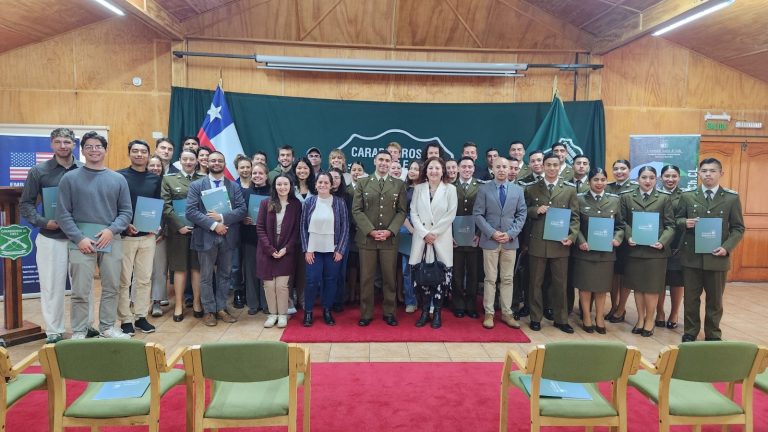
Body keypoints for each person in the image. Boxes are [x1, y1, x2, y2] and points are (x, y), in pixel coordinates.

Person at [56, 131, 133, 339]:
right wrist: (79, 238)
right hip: (80, 241)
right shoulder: (69, 179)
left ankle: (107, 327)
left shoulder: (118, 179)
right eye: (89, 146)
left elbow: (126, 212)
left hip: (111, 240)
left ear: (105, 150)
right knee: (80, 290)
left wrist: (111, 230)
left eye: (98, 146)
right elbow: (62, 213)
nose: (94, 150)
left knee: (112, 287)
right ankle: (80, 331)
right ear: (82, 151)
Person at [19, 128, 83, 343]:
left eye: (67, 142)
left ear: (74, 144)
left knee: (83, 287)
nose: (63, 146)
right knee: (51, 286)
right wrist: (45, 222)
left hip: (80, 238)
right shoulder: (39, 171)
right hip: (50, 238)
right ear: (51, 144)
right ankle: (54, 331)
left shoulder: (85, 169)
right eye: (58, 142)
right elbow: (26, 204)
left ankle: (82, 327)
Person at [677, 158, 744, 342]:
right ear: (698, 173)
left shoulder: (731, 198)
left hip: (717, 257)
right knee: (691, 298)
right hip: (692, 257)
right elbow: (676, 220)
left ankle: (713, 334)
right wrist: (685, 223)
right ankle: (690, 332)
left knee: (715, 301)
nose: (708, 174)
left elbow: (738, 228)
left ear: (721, 174)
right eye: (704, 170)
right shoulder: (688, 196)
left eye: (713, 171)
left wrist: (726, 247)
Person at [186, 151, 247, 326]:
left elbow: (242, 210)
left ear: (225, 163)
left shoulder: (233, 186)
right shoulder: (197, 186)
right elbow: (191, 211)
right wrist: (214, 225)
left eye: (220, 160)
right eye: (213, 160)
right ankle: (209, 311)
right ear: (206, 163)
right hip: (205, 237)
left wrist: (221, 218)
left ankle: (221, 308)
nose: (216, 163)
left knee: (225, 275)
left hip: (228, 236)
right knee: (206, 276)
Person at [524, 152, 579, 333]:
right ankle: (535, 317)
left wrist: (571, 237)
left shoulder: (570, 189)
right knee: (535, 283)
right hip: (538, 242)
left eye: (555, 165)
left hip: (560, 243)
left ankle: (561, 319)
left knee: (560, 284)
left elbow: (575, 218)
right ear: (542, 166)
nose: (552, 168)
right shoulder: (532, 188)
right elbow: (523, 212)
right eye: (548, 165)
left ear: (560, 166)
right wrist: (535, 210)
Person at [352, 150, 408, 327]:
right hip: (367, 239)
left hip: (389, 240)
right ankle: (366, 313)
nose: (384, 163)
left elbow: (401, 211)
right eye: (381, 160)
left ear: (392, 163)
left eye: (387, 160)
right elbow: (356, 210)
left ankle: (389, 312)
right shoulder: (363, 182)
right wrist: (370, 230)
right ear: (375, 161)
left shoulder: (399, 184)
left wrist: (390, 231)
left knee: (389, 277)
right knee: (367, 278)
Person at [620, 166, 675, 337]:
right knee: (638, 286)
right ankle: (640, 318)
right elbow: (622, 222)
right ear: (637, 179)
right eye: (644, 177)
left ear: (656, 179)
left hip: (655, 251)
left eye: (651, 177)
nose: (647, 181)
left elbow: (670, 225)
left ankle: (650, 320)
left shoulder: (664, 198)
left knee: (651, 287)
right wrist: (628, 236)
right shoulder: (627, 197)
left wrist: (662, 241)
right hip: (635, 249)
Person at [474, 157, 527, 329]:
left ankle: (507, 313)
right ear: (493, 169)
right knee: (490, 278)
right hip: (490, 240)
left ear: (511, 168)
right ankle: (489, 313)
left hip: (510, 242)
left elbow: (521, 215)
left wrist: (510, 234)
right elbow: (478, 214)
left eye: (505, 166)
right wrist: (492, 232)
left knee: (507, 278)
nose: (502, 170)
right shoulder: (483, 189)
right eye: (499, 167)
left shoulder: (518, 190)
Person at [116, 139, 162, 335]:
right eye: (135, 151)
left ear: (148, 155)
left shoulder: (155, 178)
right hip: (125, 236)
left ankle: (141, 317)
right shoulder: (118, 176)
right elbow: (113, 204)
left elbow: (158, 203)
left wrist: (157, 225)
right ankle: (125, 319)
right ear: (129, 154)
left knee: (144, 280)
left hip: (148, 237)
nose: (139, 154)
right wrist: (124, 225)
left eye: (143, 151)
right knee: (124, 280)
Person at [409, 157, 458, 329]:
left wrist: (433, 233)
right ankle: (424, 312)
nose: (434, 171)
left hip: (440, 239)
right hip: (422, 239)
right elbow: (413, 213)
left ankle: (437, 312)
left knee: (439, 278)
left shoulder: (450, 189)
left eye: (437, 168)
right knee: (421, 278)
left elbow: (450, 214)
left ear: (443, 170)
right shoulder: (419, 189)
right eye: (431, 168)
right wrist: (424, 234)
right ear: (426, 171)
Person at [572, 168, 623, 334]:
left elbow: (621, 225)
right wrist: (581, 241)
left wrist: (618, 238)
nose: (599, 183)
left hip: (606, 253)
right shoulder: (579, 199)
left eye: (602, 180)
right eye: (596, 180)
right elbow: (574, 223)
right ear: (589, 182)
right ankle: (586, 316)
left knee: (602, 287)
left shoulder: (615, 200)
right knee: (585, 287)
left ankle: (599, 317)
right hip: (585, 252)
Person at [300, 172, 350, 326]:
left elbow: (345, 227)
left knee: (330, 281)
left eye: (326, 182)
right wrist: (307, 250)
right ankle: (308, 312)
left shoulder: (339, 202)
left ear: (331, 185)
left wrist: (340, 250)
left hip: (332, 251)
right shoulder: (309, 202)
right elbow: (302, 227)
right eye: (320, 182)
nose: (322, 185)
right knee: (311, 281)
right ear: (315, 184)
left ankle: (327, 310)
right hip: (313, 251)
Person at [161, 147, 204, 321]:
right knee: (179, 269)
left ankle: (197, 302)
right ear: (180, 160)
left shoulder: (203, 179)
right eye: (185, 159)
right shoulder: (169, 180)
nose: (188, 162)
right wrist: (179, 226)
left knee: (197, 268)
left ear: (197, 161)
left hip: (199, 231)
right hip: (178, 233)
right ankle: (178, 304)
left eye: (191, 159)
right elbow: (166, 206)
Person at [256, 174, 302, 328]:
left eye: (286, 184)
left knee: (282, 286)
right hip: (266, 250)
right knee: (269, 285)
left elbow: (296, 231)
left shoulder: (296, 205)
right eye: (279, 184)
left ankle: (283, 314)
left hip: (286, 250)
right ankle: (272, 314)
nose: (282, 187)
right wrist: (269, 249)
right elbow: (260, 228)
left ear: (291, 186)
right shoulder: (265, 203)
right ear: (274, 186)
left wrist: (286, 249)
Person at [604, 159, 639, 323]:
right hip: (608, 236)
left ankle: (621, 307)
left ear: (629, 170)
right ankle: (613, 305)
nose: (619, 172)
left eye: (623, 168)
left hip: (628, 237)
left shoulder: (635, 189)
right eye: (616, 168)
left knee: (625, 275)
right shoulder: (608, 187)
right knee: (613, 275)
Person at [451, 156, 482, 319]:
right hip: (455, 238)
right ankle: (458, 304)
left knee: (473, 274)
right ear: (457, 168)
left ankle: (471, 305)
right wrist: (449, 235)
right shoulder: (450, 187)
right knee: (456, 273)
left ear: (474, 169)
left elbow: (485, 213)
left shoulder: (481, 187)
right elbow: (446, 214)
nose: (467, 169)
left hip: (474, 238)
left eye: (470, 167)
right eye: (463, 167)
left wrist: (479, 234)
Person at [655, 164, 684, 330]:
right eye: (667, 176)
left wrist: (679, 245)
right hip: (657, 242)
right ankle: (659, 312)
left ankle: (674, 313)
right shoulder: (656, 194)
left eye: (674, 176)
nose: (670, 179)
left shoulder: (686, 196)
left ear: (679, 178)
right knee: (658, 280)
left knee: (676, 281)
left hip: (677, 245)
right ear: (661, 177)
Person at [242, 162, 271, 315]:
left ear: (266, 175)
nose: (257, 176)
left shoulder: (273, 193)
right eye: (255, 173)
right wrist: (244, 219)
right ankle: (253, 303)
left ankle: (266, 303)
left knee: (266, 271)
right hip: (250, 236)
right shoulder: (246, 192)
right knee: (251, 270)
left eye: (261, 173)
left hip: (268, 239)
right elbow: (240, 212)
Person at [230, 154, 254, 309]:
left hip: (254, 231)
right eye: (242, 167)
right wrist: (240, 219)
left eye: (247, 167)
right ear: (237, 170)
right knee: (236, 264)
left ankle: (252, 291)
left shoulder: (258, 185)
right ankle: (238, 291)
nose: (245, 170)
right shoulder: (231, 186)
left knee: (251, 264)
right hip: (236, 230)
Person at [401, 160, 423, 313]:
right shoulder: (403, 188)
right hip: (406, 228)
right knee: (407, 269)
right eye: (411, 168)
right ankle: (410, 300)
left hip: (424, 229)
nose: (413, 171)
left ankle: (425, 300)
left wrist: (420, 230)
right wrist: (410, 228)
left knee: (423, 267)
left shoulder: (427, 189)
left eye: (416, 169)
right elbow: (400, 211)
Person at [329, 167, 352, 312]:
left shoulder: (348, 196)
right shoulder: (321, 195)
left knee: (340, 272)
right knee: (327, 272)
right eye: (331, 177)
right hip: (324, 240)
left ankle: (338, 301)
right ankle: (327, 300)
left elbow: (348, 220)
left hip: (343, 239)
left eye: (337, 177)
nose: (334, 180)